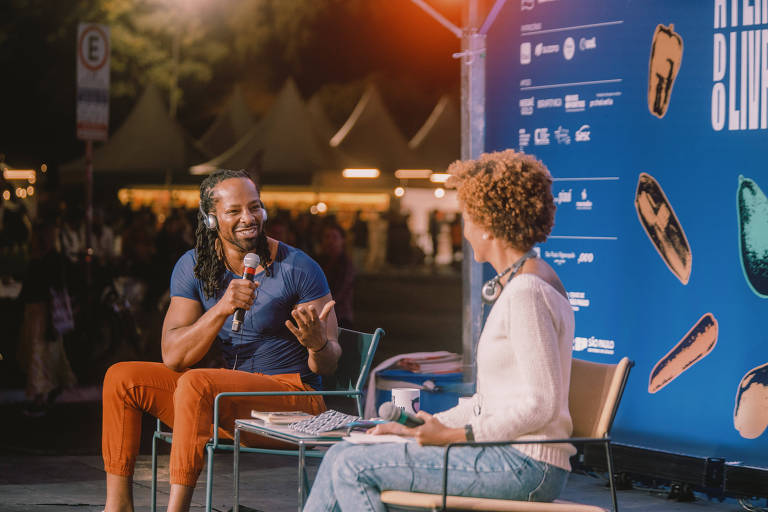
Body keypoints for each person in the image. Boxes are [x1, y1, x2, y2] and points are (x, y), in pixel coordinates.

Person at [303, 150, 575, 511]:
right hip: (507, 455)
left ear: (489, 224)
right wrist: (417, 429)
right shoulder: (526, 283)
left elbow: (541, 404)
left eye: (466, 218)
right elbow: (489, 404)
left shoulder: (527, 293)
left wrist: (453, 436)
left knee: (352, 466)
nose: (463, 230)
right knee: (343, 452)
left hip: (523, 465)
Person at [101, 169, 341, 512]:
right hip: (228, 399)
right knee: (121, 378)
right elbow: (173, 355)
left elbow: (329, 364)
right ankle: (117, 506)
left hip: (295, 402)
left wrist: (317, 344)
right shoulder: (195, 265)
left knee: (198, 383)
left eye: (255, 207)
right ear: (211, 219)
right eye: (234, 211)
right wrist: (222, 308)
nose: (249, 218)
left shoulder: (299, 267)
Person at [316, 222, 356, 327]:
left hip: (340, 317)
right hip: (319, 315)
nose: (330, 241)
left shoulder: (346, 265)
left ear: (342, 240)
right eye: (327, 237)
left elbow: (339, 292)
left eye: (334, 237)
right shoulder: (319, 261)